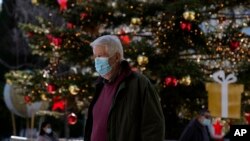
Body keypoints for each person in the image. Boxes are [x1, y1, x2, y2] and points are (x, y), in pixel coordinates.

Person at [84, 35, 165, 141]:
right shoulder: (100, 85)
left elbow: (153, 128)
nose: (97, 61)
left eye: (100, 56)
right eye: (95, 57)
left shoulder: (139, 84)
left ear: (117, 57)